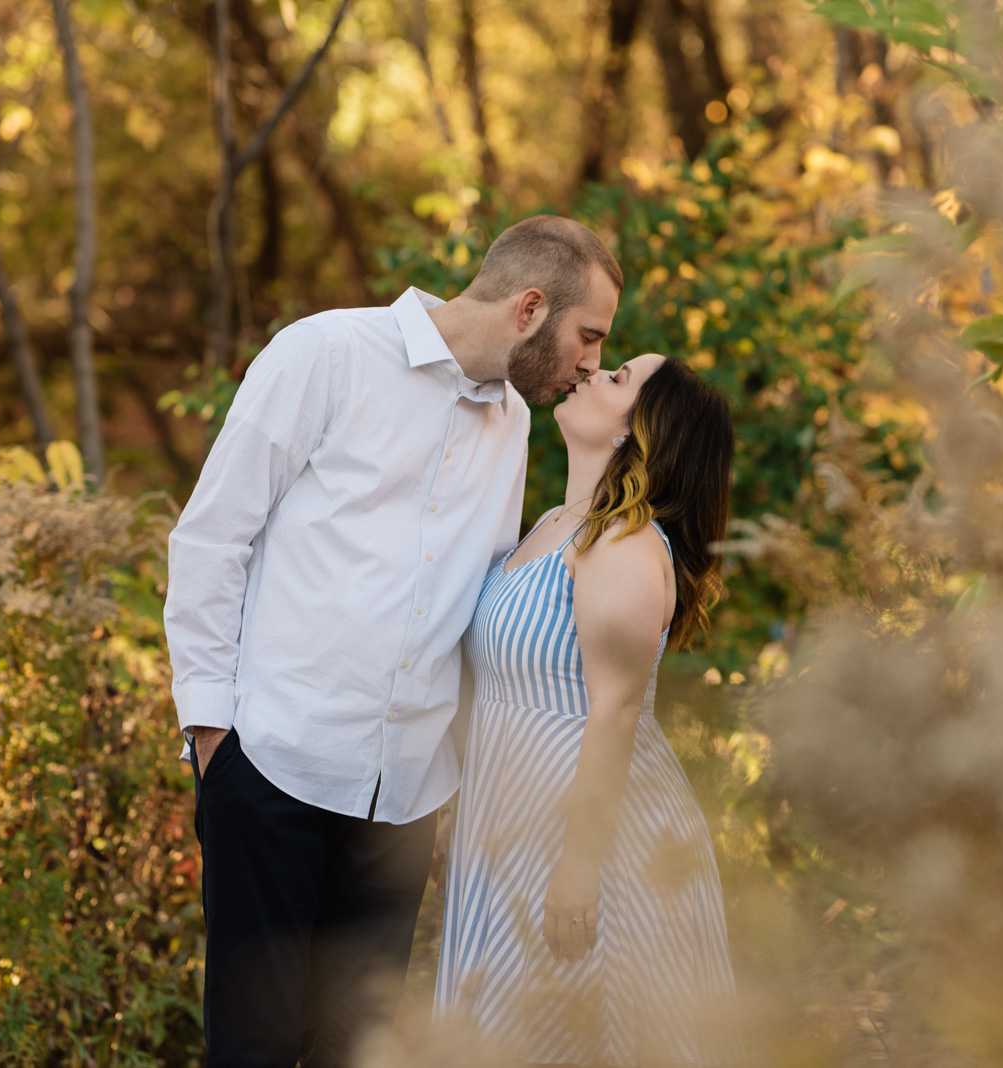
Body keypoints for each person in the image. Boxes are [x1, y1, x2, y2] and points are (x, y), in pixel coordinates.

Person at [163, 215, 623, 1068]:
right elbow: (212, 539)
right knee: (253, 1050)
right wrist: (212, 735)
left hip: (405, 802)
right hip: (272, 768)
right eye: (588, 336)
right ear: (530, 307)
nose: (592, 362)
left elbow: (483, 605)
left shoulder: (515, 426)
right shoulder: (324, 355)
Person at [435, 354, 738, 1066]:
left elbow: (616, 711)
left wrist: (579, 867)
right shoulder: (548, 526)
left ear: (638, 430)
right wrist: (458, 815)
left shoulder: (625, 544)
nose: (589, 374)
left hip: (590, 838)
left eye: (617, 376)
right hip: (508, 821)